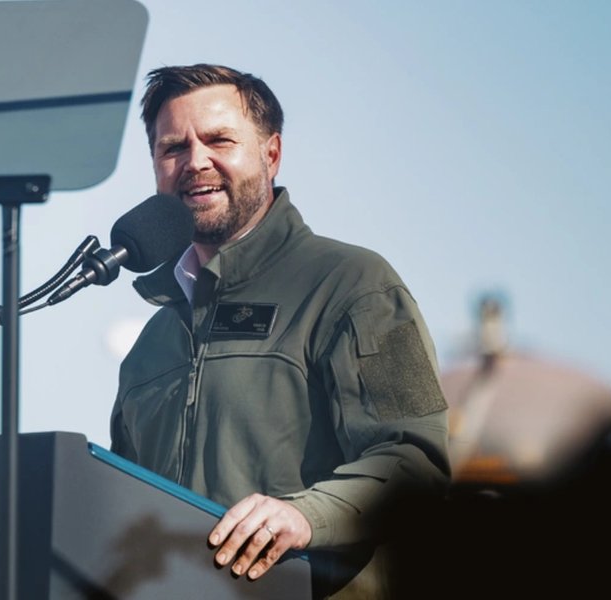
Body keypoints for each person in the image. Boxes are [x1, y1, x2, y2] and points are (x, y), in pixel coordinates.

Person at [109, 64, 451, 596]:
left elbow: (418, 460)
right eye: (172, 148)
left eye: (219, 139)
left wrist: (303, 516)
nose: (195, 161)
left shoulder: (359, 284)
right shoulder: (151, 343)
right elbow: (121, 506)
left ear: (271, 154)